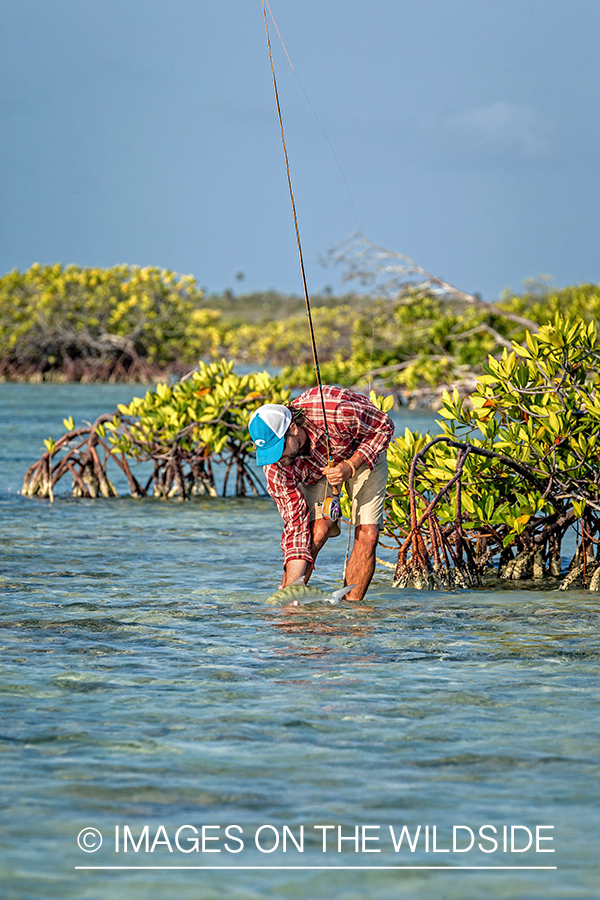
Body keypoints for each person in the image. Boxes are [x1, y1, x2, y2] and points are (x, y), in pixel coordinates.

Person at [249, 385, 394, 601]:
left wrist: (350, 466)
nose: (277, 458)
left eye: (279, 449)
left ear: (293, 429)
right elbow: (295, 527)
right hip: (315, 470)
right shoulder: (276, 465)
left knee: (368, 533)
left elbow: (384, 426)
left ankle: (352, 613)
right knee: (317, 530)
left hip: (361, 451)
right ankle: (290, 603)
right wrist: (291, 588)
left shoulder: (336, 410)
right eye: (270, 453)